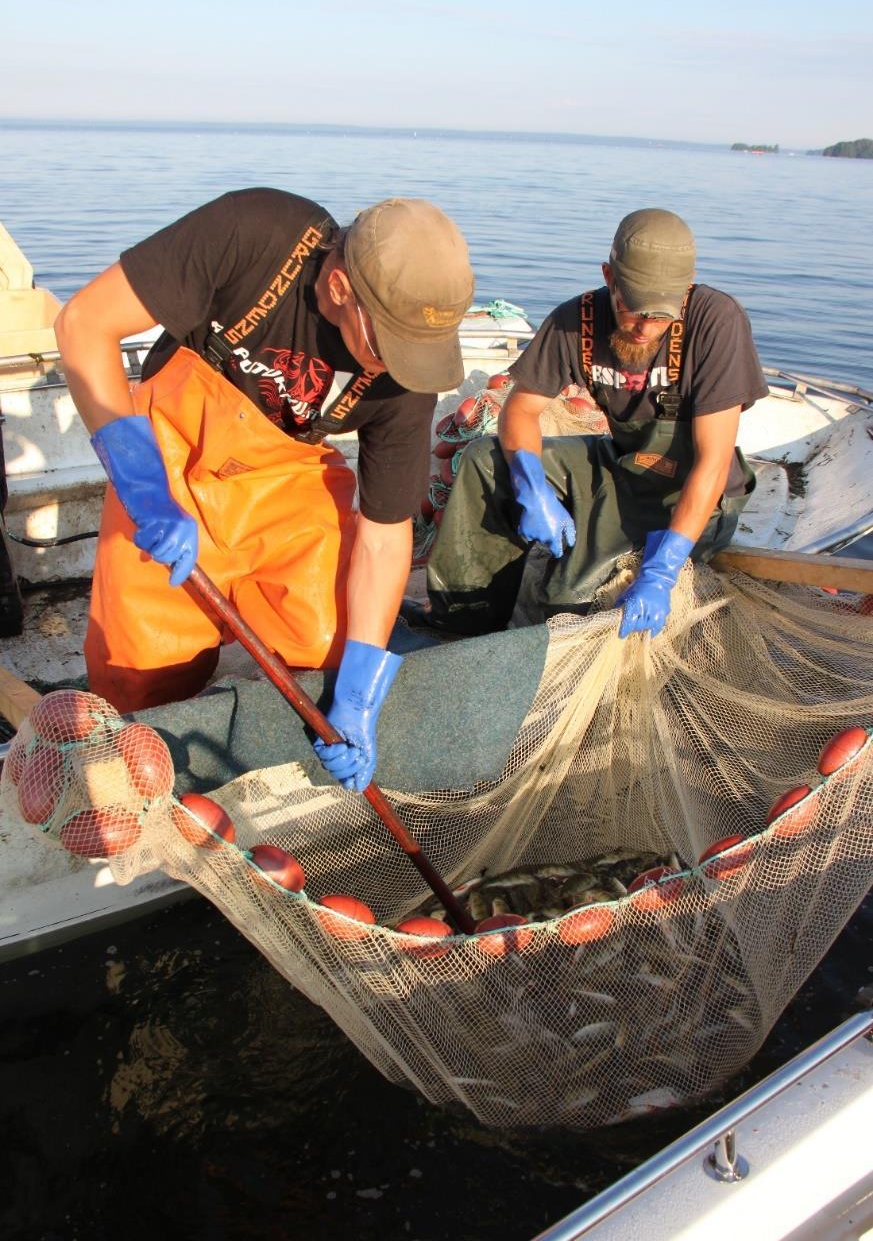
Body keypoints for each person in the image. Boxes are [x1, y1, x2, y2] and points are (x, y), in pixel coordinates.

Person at [54, 188, 474, 790]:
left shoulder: (405, 381)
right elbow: (84, 323)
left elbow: (385, 537)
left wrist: (358, 690)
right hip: (172, 454)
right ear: (339, 289)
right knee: (139, 669)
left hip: (287, 475)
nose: (399, 371)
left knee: (335, 638)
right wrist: (144, 487)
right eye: (389, 347)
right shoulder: (254, 233)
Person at [406, 208, 765, 638]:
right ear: (609, 277)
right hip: (626, 465)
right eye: (634, 310)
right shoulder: (577, 319)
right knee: (484, 460)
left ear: (686, 287)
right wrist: (530, 484)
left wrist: (663, 570)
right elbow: (520, 410)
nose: (646, 328)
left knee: (569, 595)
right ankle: (463, 620)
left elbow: (712, 463)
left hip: (694, 493)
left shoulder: (716, 320)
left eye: (660, 315)